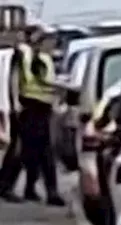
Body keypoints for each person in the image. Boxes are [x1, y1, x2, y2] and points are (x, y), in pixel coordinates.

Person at [13, 28, 62, 206]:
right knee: (34, 152)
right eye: (50, 41)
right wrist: (60, 88)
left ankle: (34, 189)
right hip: (32, 108)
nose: (53, 45)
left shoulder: (46, 59)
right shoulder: (30, 57)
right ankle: (46, 191)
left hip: (43, 108)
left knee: (38, 153)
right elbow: (35, 80)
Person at [0, 26, 32, 201]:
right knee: (16, 149)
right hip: (10, 107)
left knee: (14, 149)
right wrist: (15, 105)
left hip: (9, 106)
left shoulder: (11, 54)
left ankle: (5, 185)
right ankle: (6, 186)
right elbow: (12, 82)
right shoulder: (14, 55)